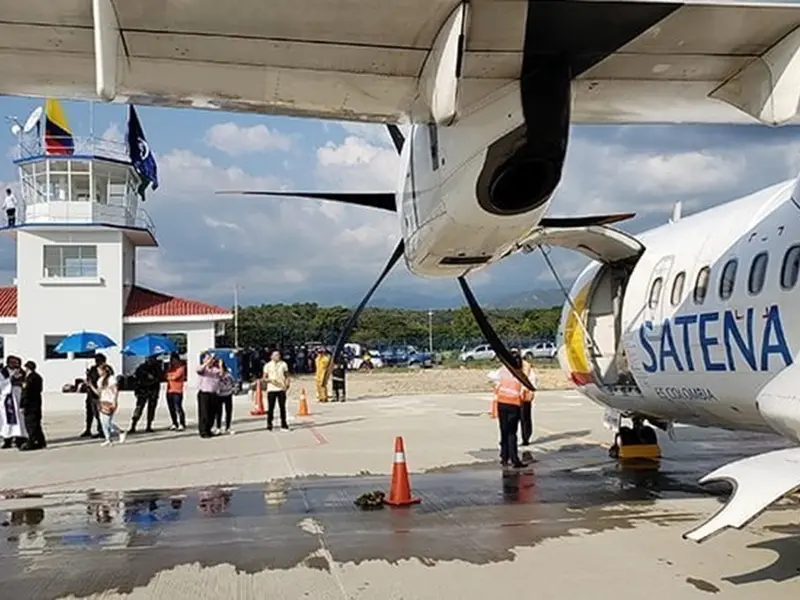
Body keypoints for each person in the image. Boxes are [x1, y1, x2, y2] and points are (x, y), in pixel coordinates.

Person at [495, 354, 528, 469]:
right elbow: (526, 389)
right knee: (512, 433)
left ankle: (504, 457)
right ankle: (514, 459)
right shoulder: (520, 374)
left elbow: (495, 380)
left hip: (502, 402)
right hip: (514, 404)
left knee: (503, 431)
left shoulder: (503, 370)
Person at [89, 364, 126, 447]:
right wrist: (91, 385)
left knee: (107, 422)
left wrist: (115, 401)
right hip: (102, 401)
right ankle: (108, 439)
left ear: (104, 371)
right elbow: (99, 393)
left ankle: (120, 432)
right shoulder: (100, 380)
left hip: (110, 402)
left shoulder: (111, 379)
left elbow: (115, 390)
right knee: (103, 422)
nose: (98, 372)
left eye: (99, 370)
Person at [128, 356, 162, 434]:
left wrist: (153, 379)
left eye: (153, 359)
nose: (152, 360)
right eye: (150, 359)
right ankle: (133, 426)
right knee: (139, 408)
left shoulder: (157, 368)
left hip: (153, 391)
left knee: (151, 408)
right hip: (143, 391)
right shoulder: (141, 368)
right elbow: (136, 379)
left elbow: (159, 378)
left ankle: (149, 426)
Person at [0, 357, 27, 449]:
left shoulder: (22, 372)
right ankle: (7, 439)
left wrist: (19, 380)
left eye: (17, 363)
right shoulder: (3, 372)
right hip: (7, 398)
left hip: (18, 397)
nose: (15, 365)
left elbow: (25, 383)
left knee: (20, 419)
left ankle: (20, 439)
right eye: (13, 363)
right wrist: (11, 379)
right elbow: (2, 384)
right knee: (7, 419)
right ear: (8, 363)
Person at [19, 360, 45, 451]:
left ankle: (31, 442)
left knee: (30, 424)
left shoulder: (29, 379)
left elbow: (25, 393)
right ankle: (41, 441)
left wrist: (22, 405)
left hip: (29, 404)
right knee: (37, 423)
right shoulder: (38, 377)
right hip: (37, 402)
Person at [263, 350, 290, 431]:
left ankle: (284, 424)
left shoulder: (283, 364)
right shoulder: (267, 365)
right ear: (271, 356)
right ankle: (269, 423)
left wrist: (287, 384)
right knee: (271, 407)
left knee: (282, 407)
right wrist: (270, 380)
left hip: (281, 388)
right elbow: (264, 377)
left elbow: (287, 375)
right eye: (275, 355)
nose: (277, 356)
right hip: (271, 389)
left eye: (278, 355)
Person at [81, 354, 107, 438]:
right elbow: (90, 379)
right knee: (89, 412)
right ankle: (88, 429)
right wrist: (88, 375)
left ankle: (102, 430)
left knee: (98, 413)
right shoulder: (93, 369)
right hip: (91, 394)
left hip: (99, 394)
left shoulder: (106, 369)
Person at [196, 352, 221, 438]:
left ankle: (209, 429)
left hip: (213, 393)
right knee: (204, 413)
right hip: (204, 393)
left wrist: (220, 365)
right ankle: (203, 431)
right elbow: (198, 370)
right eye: (207, 358)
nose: (210, 360)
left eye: (211, 359)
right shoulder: (203, 369)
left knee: (212, 414)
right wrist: (206, 363)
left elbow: (221, 374)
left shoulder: (215, 369)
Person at [165, 353, 187, 431]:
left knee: (178, 407)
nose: (172, 361)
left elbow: (175, 377)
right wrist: (169, 374)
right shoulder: (170, 368)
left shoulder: (181, 368)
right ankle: (174, 422)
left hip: (177, 390)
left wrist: (169, 376)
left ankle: (182, 423)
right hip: (169, 390)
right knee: (171, 408)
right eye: (171, 360)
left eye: (174, 360)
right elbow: (166, 376)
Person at [214, 359, 235, 435]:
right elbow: (220, 374)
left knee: (228, 411)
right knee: (218, 412)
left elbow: (233, 382)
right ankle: (218, 427)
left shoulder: (228, 374)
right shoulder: (216, 373)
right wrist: (219, 366)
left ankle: (228, 427)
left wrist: (233, 389)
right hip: (219, 395)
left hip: (228, 394)